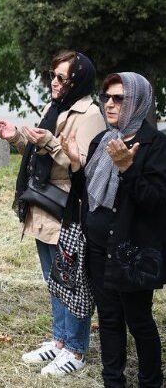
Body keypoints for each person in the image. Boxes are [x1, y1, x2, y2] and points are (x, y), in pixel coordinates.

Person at [0, 51, 105, 375]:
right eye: (52, 76)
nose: (54, 82)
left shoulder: (90, 115)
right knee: (53, 280)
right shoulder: (52, 107)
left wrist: (51, 144)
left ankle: (76, 350)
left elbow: (82, 167)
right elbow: (35, 154)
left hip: (68, 210)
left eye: (61, 77)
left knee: (73, 281)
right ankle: (58, 342)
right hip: (42, 206)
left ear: (78, 79)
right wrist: (16, 137)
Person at [61, 72, 165, 387]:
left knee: (139, 321)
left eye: (118, 98)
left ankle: (150, 382)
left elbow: (157, 201)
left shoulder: (155, 144)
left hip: (131, 251)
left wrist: (127, 169)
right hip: (96, 246)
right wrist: (76, 166)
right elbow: (85, 194)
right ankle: (113, 381)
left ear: (137, 101)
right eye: (106, 96)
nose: (109, 103)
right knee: (107, 318)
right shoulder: (103, 139)